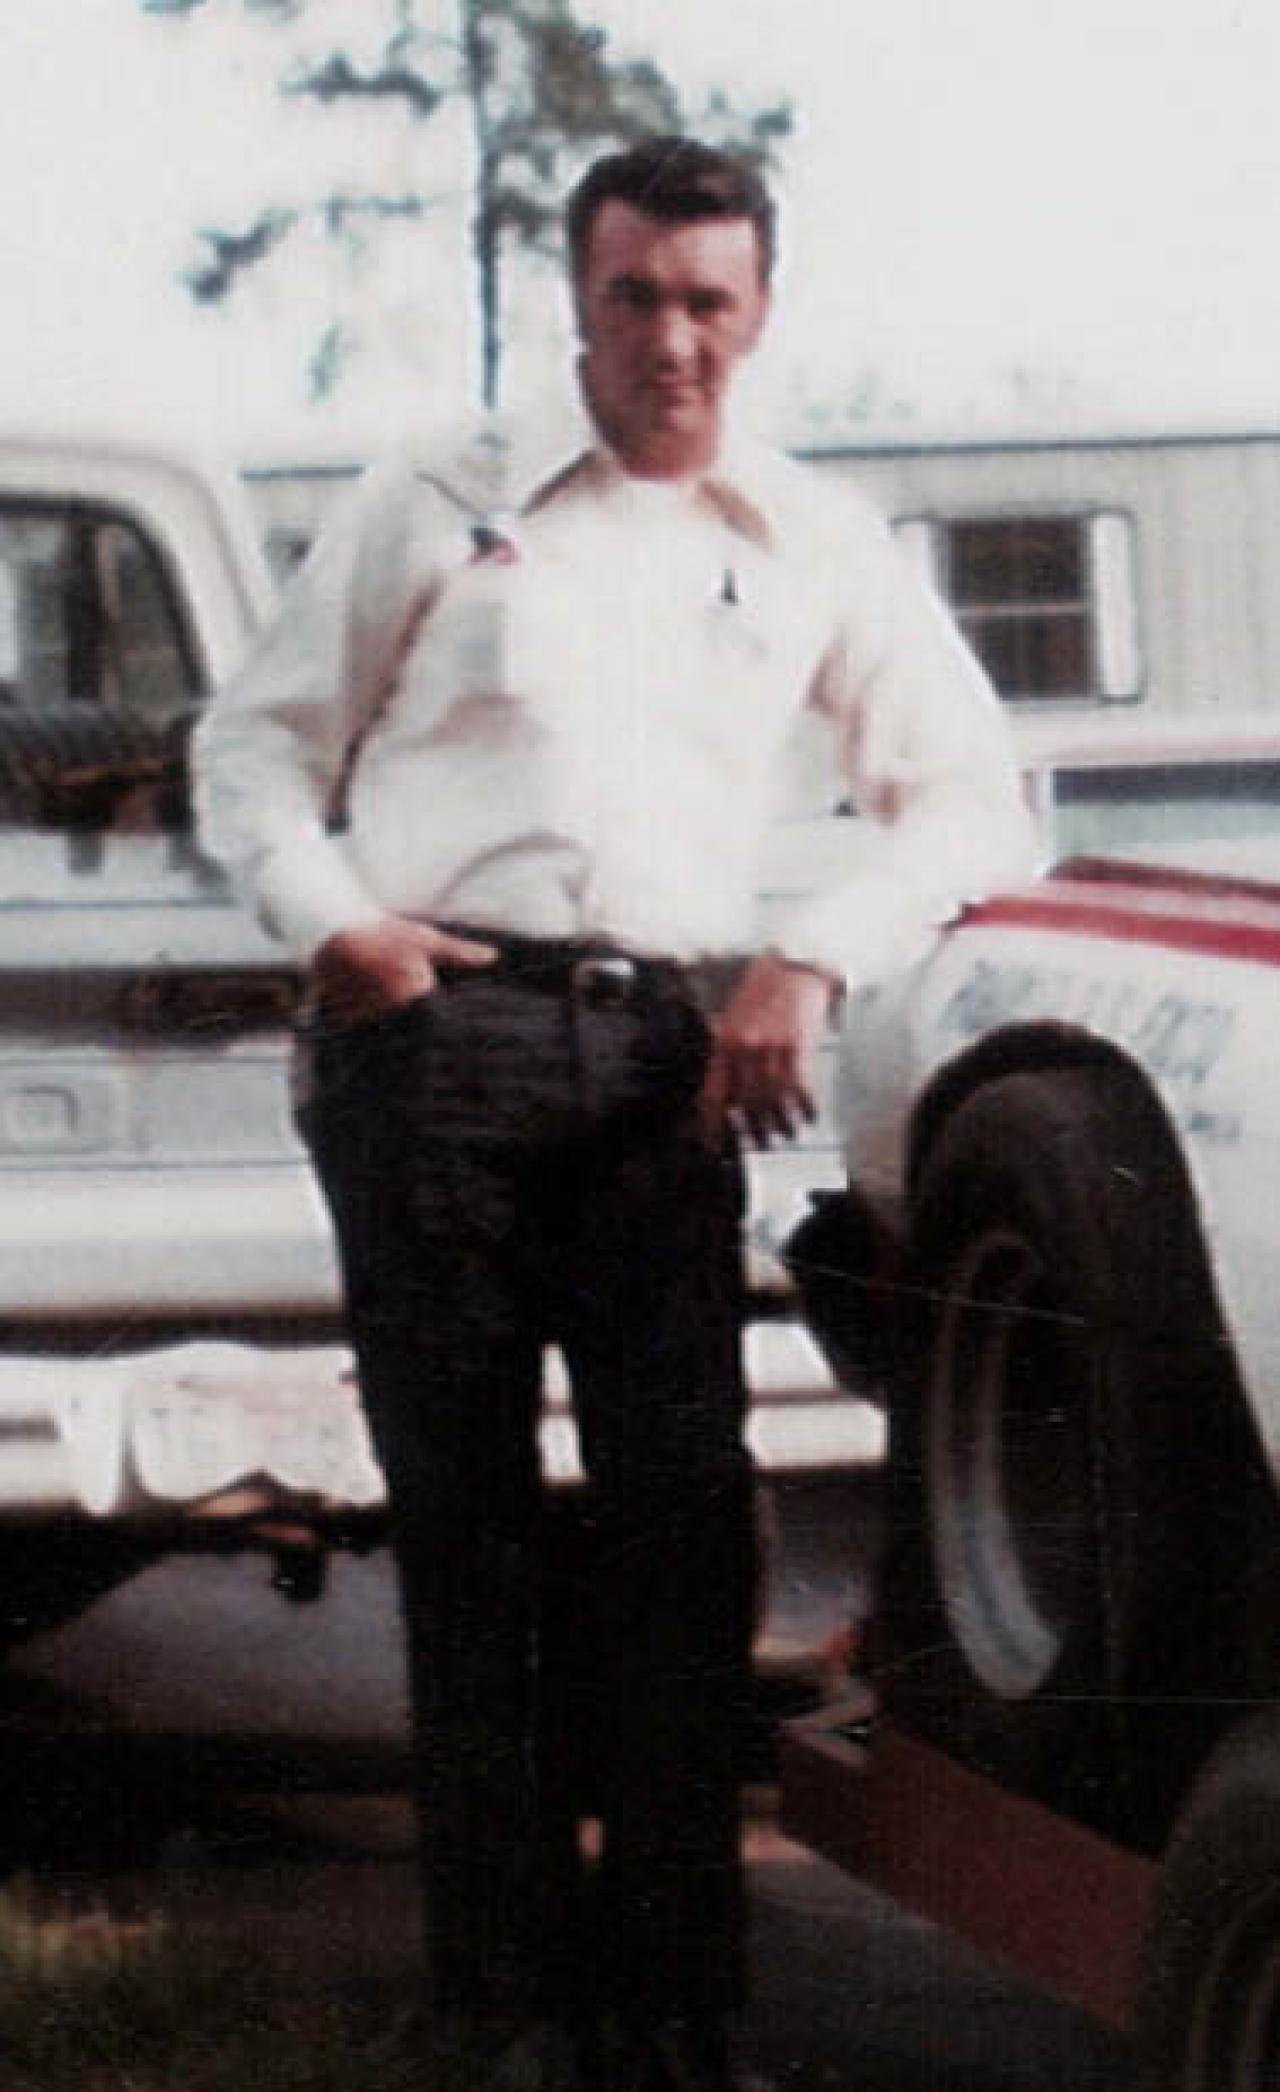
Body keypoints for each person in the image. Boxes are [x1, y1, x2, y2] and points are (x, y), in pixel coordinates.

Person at [194, 135, 1038, 2092]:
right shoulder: (440, 495)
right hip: (438, 1040)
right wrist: (338, 928)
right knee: (470, 1536)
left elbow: (969, 799)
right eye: (634, 295)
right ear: (578, 299)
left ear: (761, 310)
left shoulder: (809, 533)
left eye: (708, 302)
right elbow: (254, 743)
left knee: (678, 1534)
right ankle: (500, 2008)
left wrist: (808, 953)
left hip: (668, 1062)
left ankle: (671, 2013)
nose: (672, 339)